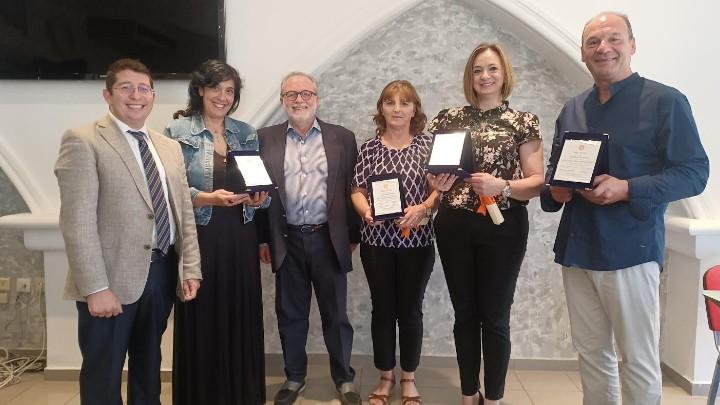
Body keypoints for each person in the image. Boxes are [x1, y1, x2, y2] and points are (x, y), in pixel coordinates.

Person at [540, 12, 709, 405]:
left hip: (631, 250)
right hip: (577, 250)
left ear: (632, 45)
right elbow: (554, 174)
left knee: (638, 359)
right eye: (593, 42)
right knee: (591, 356)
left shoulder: (665, 101)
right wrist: (556, 190)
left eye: (613, 39)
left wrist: (628, 188)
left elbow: (694, 173)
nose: (603, 48)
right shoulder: (573, 108)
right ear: (583, 53)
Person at [54, 58, 202, 405]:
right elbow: (77, 222)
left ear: (153, 96)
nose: (136, 96)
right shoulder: (83, 140)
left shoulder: (168, 147)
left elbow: (183, 212)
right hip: (110, 280)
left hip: (161, 273)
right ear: (108, 94)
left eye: (143, 88)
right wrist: (95, 288)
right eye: (126, 88)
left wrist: (190, 268)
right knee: (103, 375)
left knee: (149, 369)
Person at [427, 43, 544, 405]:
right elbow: (433, 174)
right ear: (470, 76)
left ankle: (493, 397)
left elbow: (537, 182)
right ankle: (468, 394)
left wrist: (503, 185)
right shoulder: (448, 119)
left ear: (504, 73)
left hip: (503, 226)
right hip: (453, 224)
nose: (485, 76)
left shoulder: (522, 121)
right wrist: (436, 182)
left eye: (492, 68)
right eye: (477, 70)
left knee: (494, 316)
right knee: (465, 314)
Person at [164, 60, 269, 405]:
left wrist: (259, 198)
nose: (223, 97)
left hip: (241, 237)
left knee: (240, 315)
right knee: (203, 316)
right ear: (200, 90)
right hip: (201, 237)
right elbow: (169, 189)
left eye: (229, 91)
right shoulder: (177, 132)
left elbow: (259, 189)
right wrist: (207, 198)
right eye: (215, 88)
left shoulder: (246, 132)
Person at [256, 71, 361, 405]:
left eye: (306, 93)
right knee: (290, 314)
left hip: (328, 239)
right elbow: (259, 194)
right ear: (282, 100)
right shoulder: (264, 138)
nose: (299, 100)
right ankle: (294, 377)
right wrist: (263, 239)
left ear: (317, 98)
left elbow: (352, 189)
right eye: (291, 94)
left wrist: (353, 235)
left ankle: (344, 377)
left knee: (336, 315)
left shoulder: (342, 138)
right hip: (286, 240)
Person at [350, 80, 448, 405]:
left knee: (410, 311)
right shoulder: (369, 148)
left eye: (404, 103)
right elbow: (357, 190)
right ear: (381, 108)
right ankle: (385, 376)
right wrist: (366, 212)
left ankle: (408, 377)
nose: (396, 109)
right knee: (382, 310)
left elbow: (440, 191)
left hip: (417, 243)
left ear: (414, 109)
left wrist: (424, 207)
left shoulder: (428, 145)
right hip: (376, 243)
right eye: (390, 102)